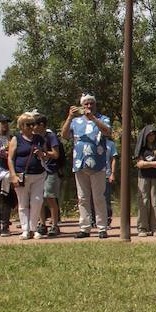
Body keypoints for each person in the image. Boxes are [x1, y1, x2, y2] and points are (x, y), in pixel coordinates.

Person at [60, 93, 113, 239]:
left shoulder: (103, 119)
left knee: (98, 197)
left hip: (98, 163)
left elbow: (108, 131)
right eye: (86, 104)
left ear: (95, 105)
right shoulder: (76, 121)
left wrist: (93, 119)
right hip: (79, 163)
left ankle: (102, 227)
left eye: (91, 103)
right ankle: (85, 227)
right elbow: (64, 135)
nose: (89, 106)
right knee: (82, 197)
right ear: (81, 106)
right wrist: (69, 117)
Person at [8, 112, 54, 239]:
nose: (32, 127)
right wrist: (13, 175)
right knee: (23, 203)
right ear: (21, 125)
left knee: (37, 201)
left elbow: (45, 155)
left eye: (33, 124)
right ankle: (25, 229)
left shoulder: (39, 138)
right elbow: (10, 158)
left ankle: (34, 229)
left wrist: (42, 154)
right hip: (21, 175)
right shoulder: (16, 139)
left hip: (38, 175)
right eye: (29, 125)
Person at [134, 124, 156, 236]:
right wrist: (154, 164)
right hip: (143, 177)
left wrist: (146, 164)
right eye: (149, 135)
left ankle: (154, 228)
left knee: (154, 202)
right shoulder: (141, 148)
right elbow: (139, 164)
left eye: (153, 135)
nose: (151, 137)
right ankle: (142, 228)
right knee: (143, 201)